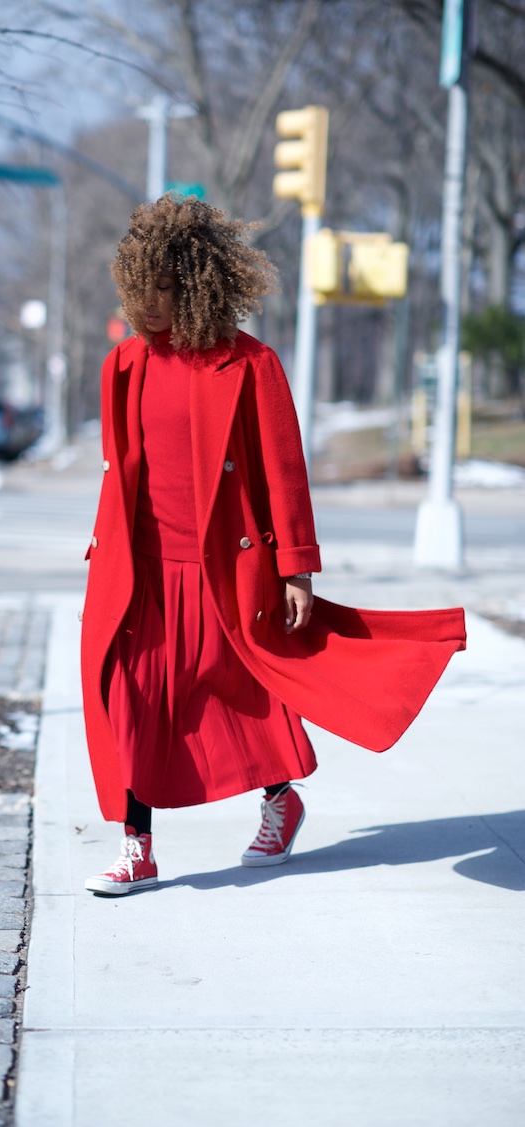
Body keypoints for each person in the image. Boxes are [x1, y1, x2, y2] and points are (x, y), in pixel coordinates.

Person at [80, 194, 466, 896]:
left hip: (226, 566)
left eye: (163, 289)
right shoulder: (124, 365)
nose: (148, 305)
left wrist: (296, 569)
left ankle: (281, 800)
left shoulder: (249, 365)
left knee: (240, 692)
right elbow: (120, 470)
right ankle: (137, 845)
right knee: (130, 696)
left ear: (197, 282)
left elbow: (284, 472)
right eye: (138, 290)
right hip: (140, 568)